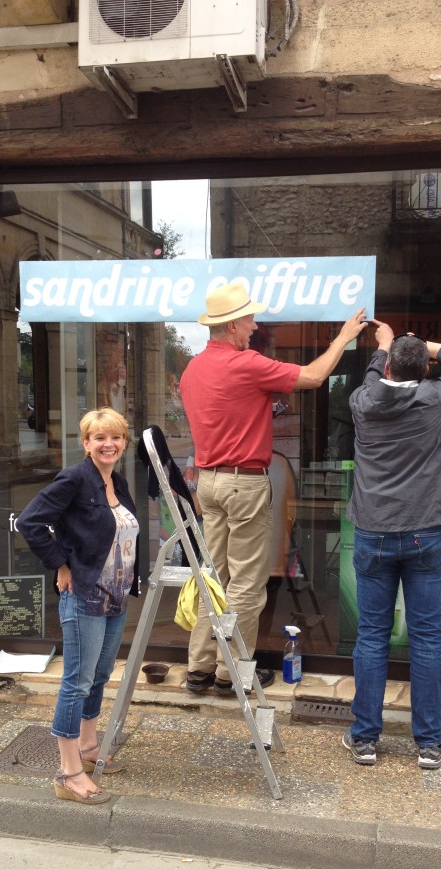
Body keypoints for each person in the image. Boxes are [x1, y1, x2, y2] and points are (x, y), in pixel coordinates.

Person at [179, 281, 368, 696]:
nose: (255, 325)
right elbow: (314, 376)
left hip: (209, 482)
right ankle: (232, 672)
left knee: (214, 577)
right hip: (243, 482)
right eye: (249, 319)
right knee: (247, 583)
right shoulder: (246, 363)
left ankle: (199, 667)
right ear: (232, 325)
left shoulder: (193, 369)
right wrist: (343, 337)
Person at [343, 320, 441, 769]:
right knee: (426, 636)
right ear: (425, 370)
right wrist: (423, 347)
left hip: (374, 532)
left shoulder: (363, 402)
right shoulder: (436, 397)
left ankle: (365, 739)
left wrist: (386, 346)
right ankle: (429, 744)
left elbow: (373, 377)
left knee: (372, 634)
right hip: (426, 532)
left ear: (387, 367)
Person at [17, 407, 139, 804]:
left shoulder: (116, 480)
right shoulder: (74, 478)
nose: (109, 444)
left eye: (116, 437)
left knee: (99, 675)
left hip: (116, 596)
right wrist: (61, 563)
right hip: (85, 594)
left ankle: (88, 747)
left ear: (124, 442)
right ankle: (68, 773)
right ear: (86, 443)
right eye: (99, 438)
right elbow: (31, 522)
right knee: (77, 682)